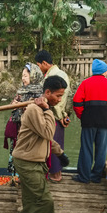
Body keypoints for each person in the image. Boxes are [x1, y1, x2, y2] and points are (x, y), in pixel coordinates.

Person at [12, 75, 70, 213]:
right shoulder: (34, 110)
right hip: (26, 161)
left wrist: (59, 153)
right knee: (44, 199)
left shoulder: (41, 110)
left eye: (61, 96)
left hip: (34, 161)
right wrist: (47, 111)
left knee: (31, 198)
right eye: (58, 96)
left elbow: (46, 140)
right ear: (47, 92)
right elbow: (47, 132)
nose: (60, 100)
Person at [73, 59, 107, 183]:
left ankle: (84, 177)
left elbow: (76, 102)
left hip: (88, 122)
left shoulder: (85, 83)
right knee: (101, 151)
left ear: (94, 71)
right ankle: (96, 177)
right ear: (104, 72)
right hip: (103, 123)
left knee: (86, 149)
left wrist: (81, 116)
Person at [35, 50, 71, 182]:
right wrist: (66, 115)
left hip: (54, 116)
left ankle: (55, 175)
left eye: (39, 65)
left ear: (44, 63)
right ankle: (55, 173)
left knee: (53, 145)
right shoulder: (62, 74)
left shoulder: (53, 76)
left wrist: (59, 116)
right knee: (55, 145)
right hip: (60, 115)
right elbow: (69, 97)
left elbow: (56, 100)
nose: (39, 68)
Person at [4, 62, 43, 176]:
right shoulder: (21, 90)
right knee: (16, 153)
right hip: (18, 129)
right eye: (22, 76)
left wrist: (23, 107)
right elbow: (13, 105)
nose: (23, 78)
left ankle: (26, 178)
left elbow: (38, 113)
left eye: (26, 76)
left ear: (34, 76)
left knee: (27, 157)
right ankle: (15, 177)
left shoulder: (40, 94)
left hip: (29, 132)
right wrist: (14, 104)